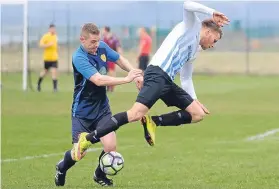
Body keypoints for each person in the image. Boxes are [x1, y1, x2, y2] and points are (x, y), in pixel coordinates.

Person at [75, 0, 229, 157]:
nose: (213, 45)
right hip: (157, 74)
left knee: (197, 114)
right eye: (214, 40)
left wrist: (194, 99)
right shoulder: (192, 25)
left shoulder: (194, 50)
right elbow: (187, 4)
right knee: (134, 114)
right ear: (208, 32)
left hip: (167, 81)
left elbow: (186, 77)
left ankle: (153, 121)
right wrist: (211, 12)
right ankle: (87, 139)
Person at [54, 23, 143, 187]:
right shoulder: (79, 57)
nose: (96, 45)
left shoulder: (101, 47)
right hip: (82, 113)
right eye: (92, 42)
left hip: (102, 109)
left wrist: (135, 73)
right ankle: (61, 167)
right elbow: (98, 80)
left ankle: (99, 174)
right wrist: (126, 79)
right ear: (82, 39)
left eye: (97, 41)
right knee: (78, 154)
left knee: (110, 146)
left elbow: (119, 59)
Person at [37, 24, 59, 92]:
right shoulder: (46, 36)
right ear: (49, 29)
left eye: (54, 29)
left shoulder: (55, 36)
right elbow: (40, 45)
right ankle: (38, 84)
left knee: (54, 72)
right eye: (52, 29)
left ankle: (55, 88)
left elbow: (55, 46)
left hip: (54, 58)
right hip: (47, 58)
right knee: (45, 72)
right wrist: (48, 45)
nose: (53, 30)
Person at [102, 26, 123, 92]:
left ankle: (112, 88)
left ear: (106, 30)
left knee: (111, 73)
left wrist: (119, 55)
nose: (102, 31)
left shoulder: (113, 38)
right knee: (106, 73)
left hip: (111, 58)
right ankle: (107, 87)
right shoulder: (103, 38)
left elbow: (118, 46)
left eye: (103, 30)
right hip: (104, 58)